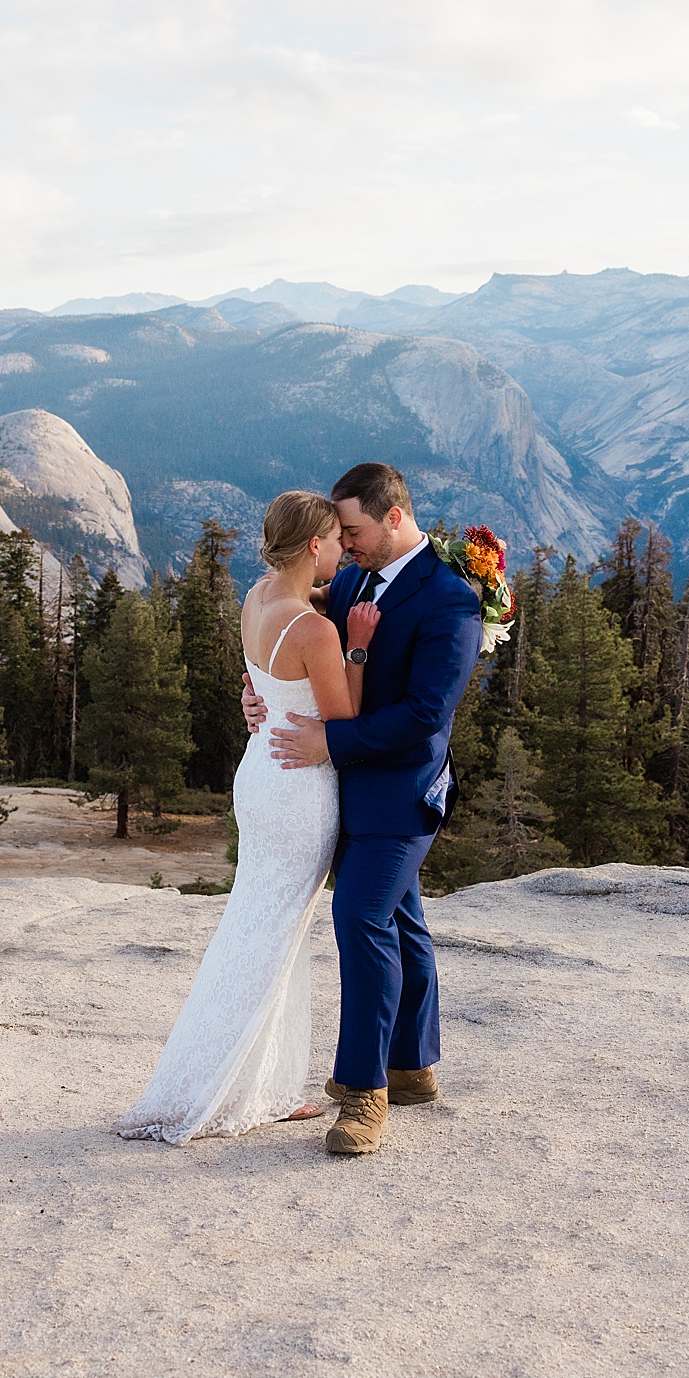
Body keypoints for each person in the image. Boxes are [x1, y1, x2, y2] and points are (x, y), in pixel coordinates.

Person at [114, 490, 381, 1144]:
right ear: (314, 546)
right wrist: (361, 646)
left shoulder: (258, 597)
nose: (344, 552)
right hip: (300, 788)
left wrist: (255, 695)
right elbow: (345, 716)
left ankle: (271, 1085)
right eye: (335, 543)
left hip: (259, 773)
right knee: (278, 940)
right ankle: (234, 1088)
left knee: (257, 930)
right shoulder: (318, 631)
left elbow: (261, 679)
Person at [254, 461, 484, 1156]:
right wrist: (266, 697)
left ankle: (364, 1094)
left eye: (350, 530)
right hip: (346, 785)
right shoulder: (353, 577)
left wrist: (330, 740)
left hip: (401, 790)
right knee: (400, 919)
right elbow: (306, 647)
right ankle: (412, 1069)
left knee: (358, 916)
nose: (342, 543)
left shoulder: (450, 601)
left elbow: (425, 716)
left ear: (393, 517)